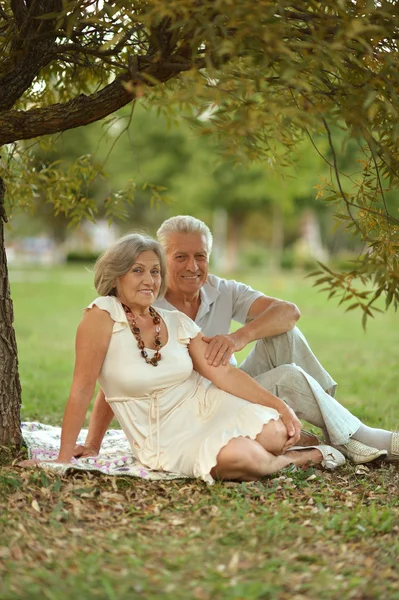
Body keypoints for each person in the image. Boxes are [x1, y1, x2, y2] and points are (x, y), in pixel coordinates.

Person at [23, 233, 348, 481]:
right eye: (137, 270)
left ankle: (303, 440)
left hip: (206, 406)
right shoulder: (101, 315)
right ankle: (307, 456)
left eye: (154, 271)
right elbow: (82, 389)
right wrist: (65, 457)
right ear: (116, 275)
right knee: (244, 457)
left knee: (276, 432)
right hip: (163, 435)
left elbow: (223, 373)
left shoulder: (175, 322)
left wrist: (279, 406)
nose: (149, 280)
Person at [76, 217, 398, 465]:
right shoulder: (145, 304)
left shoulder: (222, 289)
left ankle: (337, 427)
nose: (193, 266)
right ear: (161, 258)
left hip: (235, 387)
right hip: (194, 407)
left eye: (200, 256)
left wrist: (237, 337)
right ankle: (355, 437)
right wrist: (92, 443)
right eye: (180, 257)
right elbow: (113, 378)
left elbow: (289, 312)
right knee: (288, 378)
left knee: (284, 331)